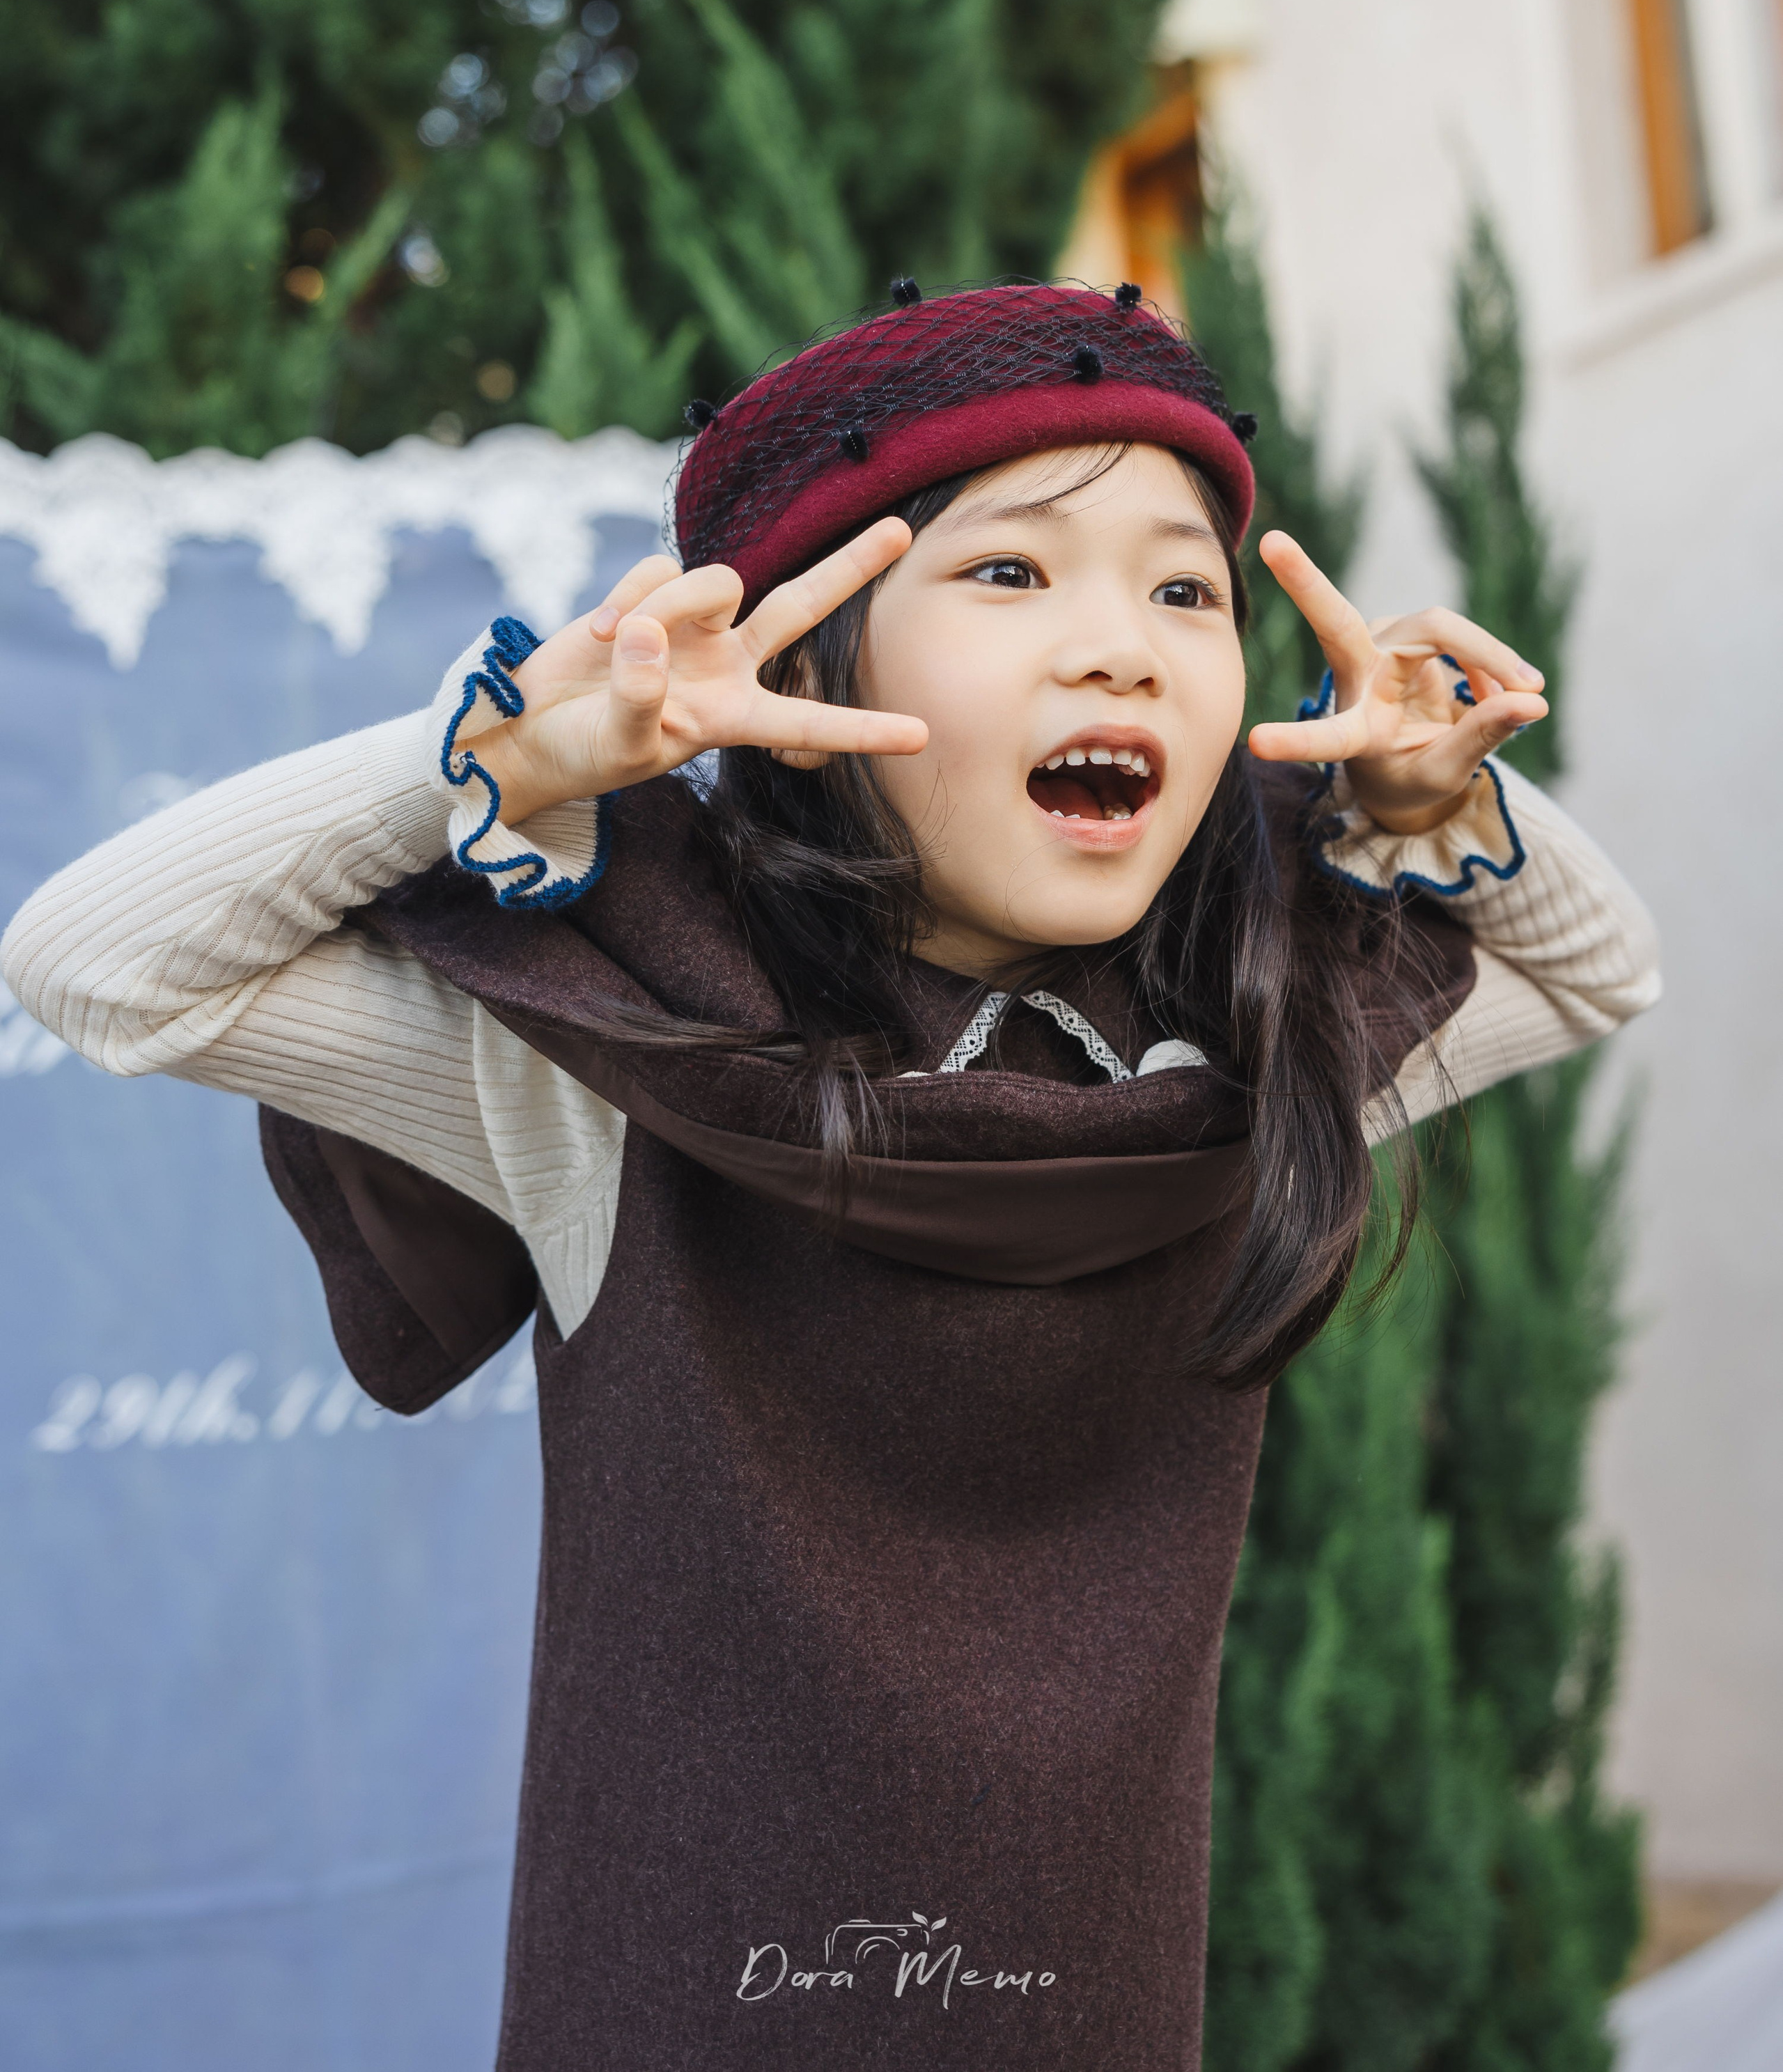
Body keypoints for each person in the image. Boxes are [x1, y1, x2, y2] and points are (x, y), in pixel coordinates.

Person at [2, 281, 1659, 2070]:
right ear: (807, 674)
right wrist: (486, 756)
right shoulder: (629, 1074)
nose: (1122, 647)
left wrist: (1409, 812)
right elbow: (99, 958)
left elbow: (1600, 969)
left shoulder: (1246, 1071)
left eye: (1183, 587)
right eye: (1012, 573)